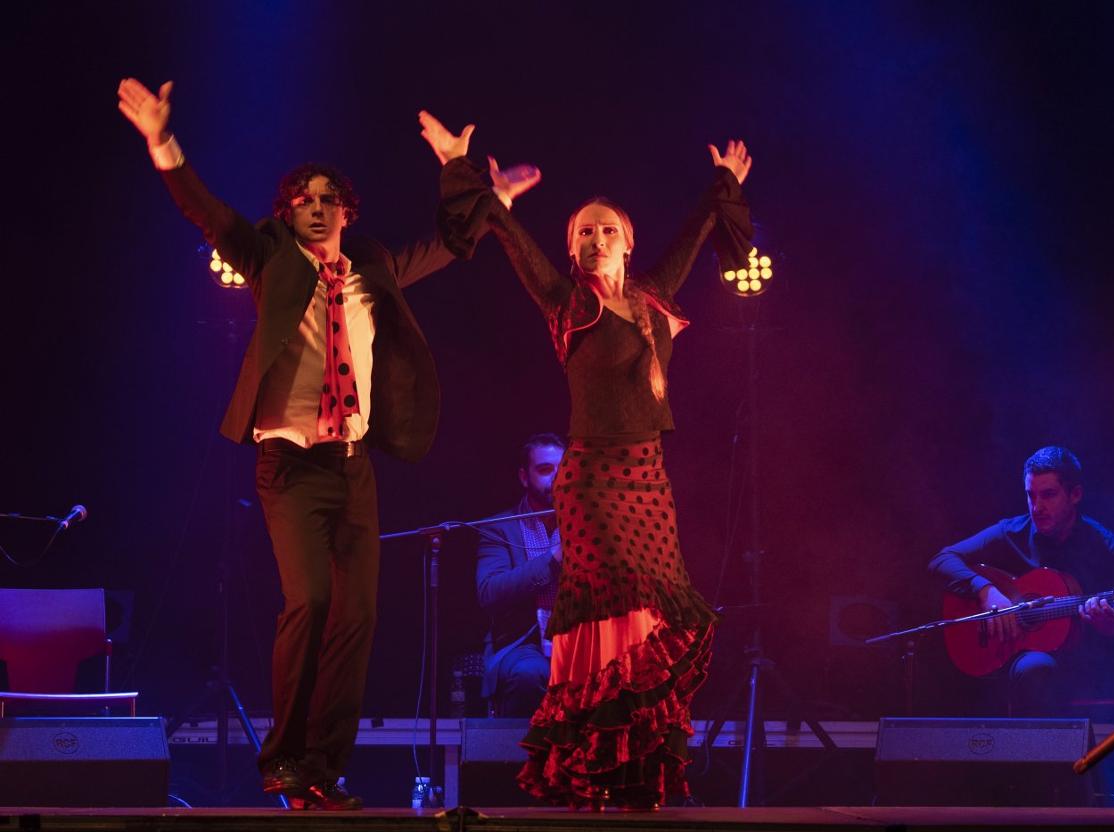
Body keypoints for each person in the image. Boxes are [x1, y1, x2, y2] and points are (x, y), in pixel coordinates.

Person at [117, 79, 522, 809]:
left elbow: (452, 242)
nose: (314, 207)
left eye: (326, 197)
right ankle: (281, 760)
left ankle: (322, 768)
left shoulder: (372, 265)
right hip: (291, 465)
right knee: (307, 599)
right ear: (287, 211)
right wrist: (160, 141)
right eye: (302, 198)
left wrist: (473, 183)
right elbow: (205, 213)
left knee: (358, 615)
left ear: (346, 209)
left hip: (354, 466)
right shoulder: (267, 257)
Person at [424, 112, 754, 810]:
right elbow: (507, 237)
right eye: (583, 231)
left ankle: (631, 768)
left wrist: (723, 182)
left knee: (649, 621)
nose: (595, 238)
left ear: (628, 246)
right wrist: (461, 169)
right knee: (614, 612)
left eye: (607, 230)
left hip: (649, 481)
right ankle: (593, 764)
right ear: (571, 250)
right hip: (595, 481)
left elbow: (697, 231)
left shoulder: (655, 296)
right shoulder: (566, 304)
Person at [929, 445, 1114, 806]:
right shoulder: (1011, 533)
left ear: (1075, 495)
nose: (1037, 506)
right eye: (1031, 495)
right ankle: (1051, 800)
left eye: (1049, 495)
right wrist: (987, 592)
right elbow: (942, 559)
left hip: (1103, 664)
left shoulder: (1108, 548)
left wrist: (1109, 625)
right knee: (1034, 669)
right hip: (1050, 664)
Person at [475, 434, 567, 718]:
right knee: (530, 675)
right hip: (525, 645)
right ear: (524, 477)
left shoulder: (588, 523)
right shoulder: (500, 528)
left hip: (580, 640)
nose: (556, 477)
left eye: (563, 469)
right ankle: (524, 761)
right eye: (545, 470)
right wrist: (553, 559)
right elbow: (490, 592)